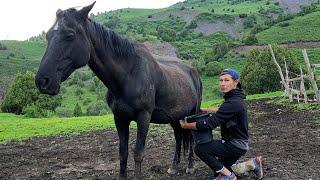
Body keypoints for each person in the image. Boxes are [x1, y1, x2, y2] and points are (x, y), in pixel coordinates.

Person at [180, 68, 263, 180]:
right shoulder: (236, 99)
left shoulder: (233, 103)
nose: (222, 83)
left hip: (234, 145)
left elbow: (209, 124)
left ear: (235, 82)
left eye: (226, 80)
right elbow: (223, 110)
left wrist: (187, 126)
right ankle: (252, 163)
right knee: (221, 168)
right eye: (221, 80)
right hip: (240, 144)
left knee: (200, 149)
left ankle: (229, 177)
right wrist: (207, 110)